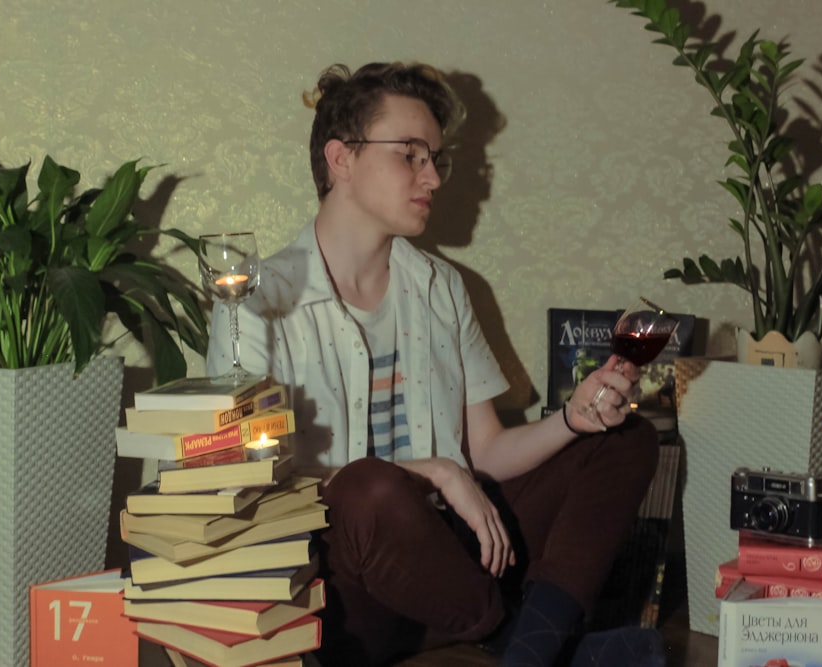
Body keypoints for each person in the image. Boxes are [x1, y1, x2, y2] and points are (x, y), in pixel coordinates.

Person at [207, 61, 665, 667]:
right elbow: (250, 484)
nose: (433, 177)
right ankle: (527, 641)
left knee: (623, 436)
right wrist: (439, 473)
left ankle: (529, 648)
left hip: (456, 555)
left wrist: (573, 419)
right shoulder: (256, 301)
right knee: (368, 487)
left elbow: (489, 451)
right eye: (410, 155)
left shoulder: (441, 287)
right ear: (341, 159)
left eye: (436, 159)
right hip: (350, 585)